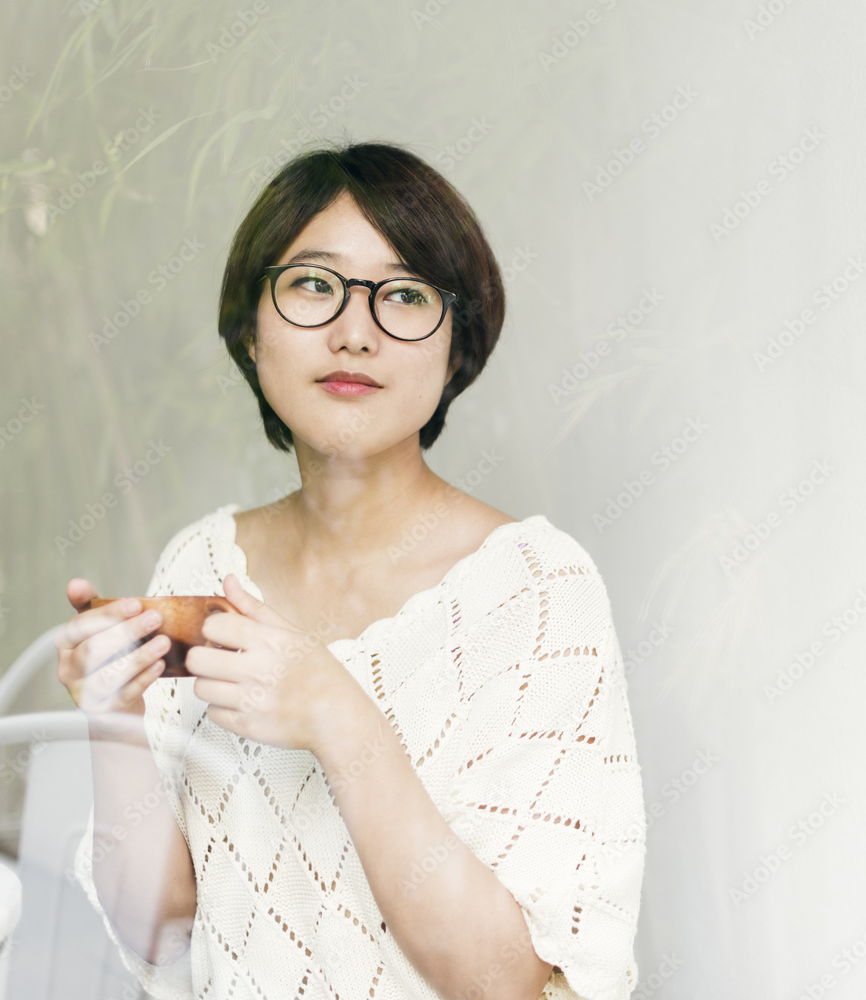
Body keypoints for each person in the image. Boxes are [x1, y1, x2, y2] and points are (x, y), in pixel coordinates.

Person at [57, 141, 646, 1000]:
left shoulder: (535, 591)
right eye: (312, 285)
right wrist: (112, 716)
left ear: (456, 352)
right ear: (249, 334)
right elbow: (158, 926)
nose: (354, 331)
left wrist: (339, 716)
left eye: (405, 295)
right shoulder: (203, 563)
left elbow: (507, 981)